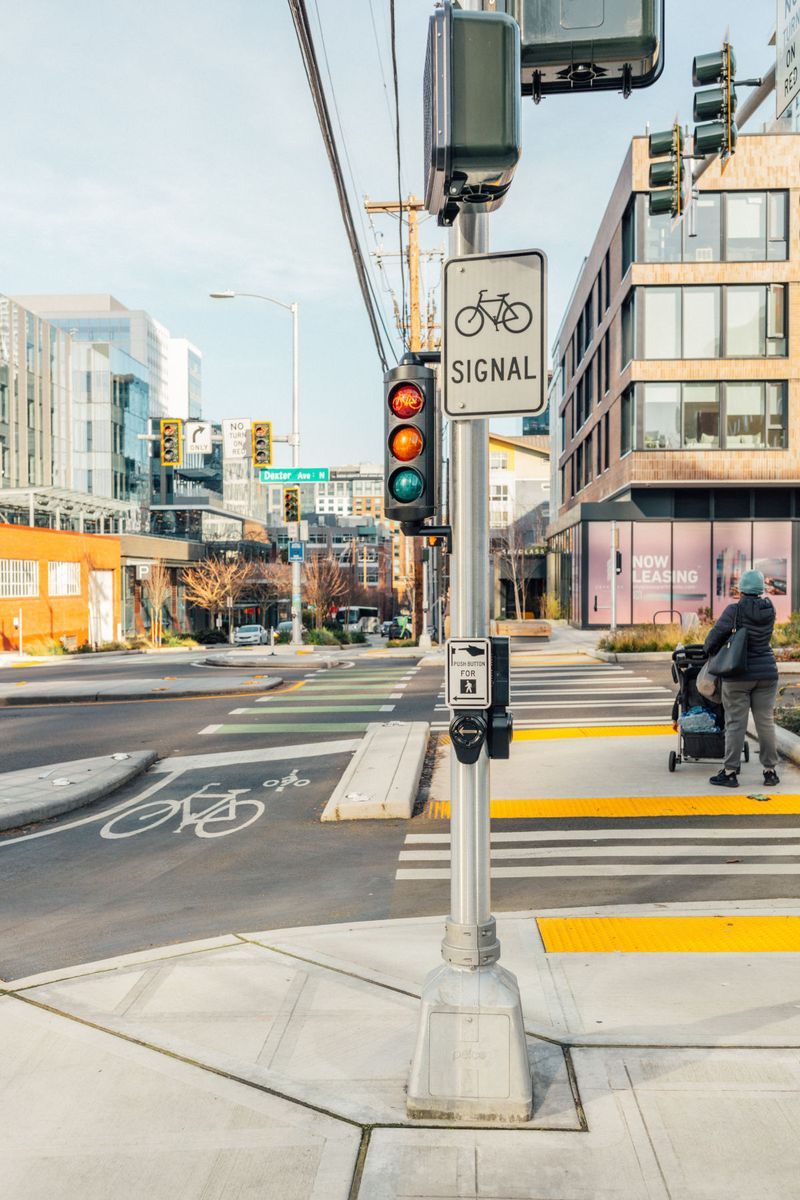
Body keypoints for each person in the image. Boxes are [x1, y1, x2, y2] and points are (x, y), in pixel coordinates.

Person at [703, 569, 780, 789]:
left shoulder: (734, 610)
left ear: (741, 590)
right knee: (765, 722)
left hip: (738, 675)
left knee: (736, 723)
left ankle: (730, 772)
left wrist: (708, 650)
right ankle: (770, 772)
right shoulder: (769, 608)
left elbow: (713, 639)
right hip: (767, 673)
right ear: (761, 590)